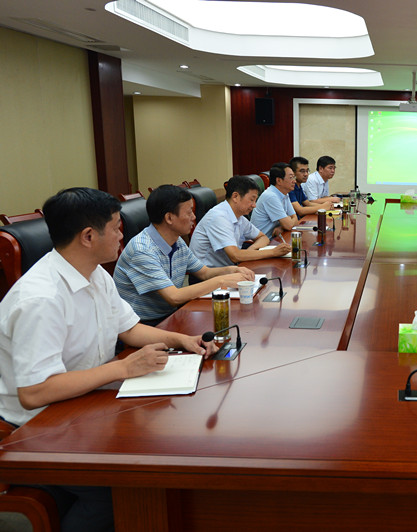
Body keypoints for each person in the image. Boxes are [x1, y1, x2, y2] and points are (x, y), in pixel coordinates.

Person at [0, 187, 217, 531]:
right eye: (116, 228)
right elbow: (35, 392)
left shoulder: (95, 273)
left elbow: (129, 329)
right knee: (124, 488)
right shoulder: (40, 299)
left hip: (84, 404)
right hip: (36, 427)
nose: (122, 235)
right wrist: (122, 368)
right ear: (88, 236)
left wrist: (181, 340)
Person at [114, 185, 255, 325]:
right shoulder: (142, 250)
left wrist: (231, 270)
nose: (194, 217)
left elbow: (204, 272)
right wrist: (222, 281)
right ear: (169, 218)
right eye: (189, 213)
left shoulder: (176, 240)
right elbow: (174, 297)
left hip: (171, 314)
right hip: (143, 324)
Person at [189, 175, 291, 267]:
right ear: (235, 197)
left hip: (229, 269)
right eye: (252, 200)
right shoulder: (219, 217)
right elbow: (235, 256)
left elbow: (263, 237)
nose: (254, 205)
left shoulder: (239, 217)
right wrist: (273, 252)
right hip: (208, 275)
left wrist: (251, 250)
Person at [251, 163, 299, 236]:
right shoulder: (270, 196)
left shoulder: (285, 194)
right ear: (279, 181)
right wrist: (285, 225)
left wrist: (282, 227)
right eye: (291, 177)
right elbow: (288, 225)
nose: (294, 181)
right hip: (261, 240)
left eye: (294, 177)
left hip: (275, 238)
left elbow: (295, 218)